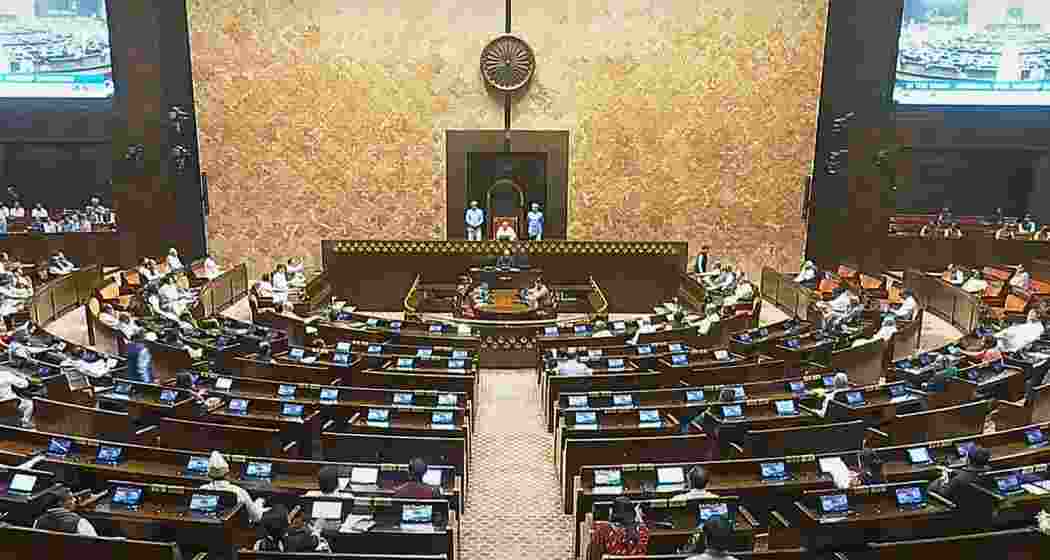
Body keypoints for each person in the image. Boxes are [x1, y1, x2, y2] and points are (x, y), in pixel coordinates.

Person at [201, 451, 265, 522]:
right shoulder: (239, 491)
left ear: (209, 476)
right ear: (227, 475)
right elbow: (256, 517)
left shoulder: (202, 489)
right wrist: (259, 503)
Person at [585, 496, 650, 560]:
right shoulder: (643, 531)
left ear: (612, 512)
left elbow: (593, 556)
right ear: (633, 513)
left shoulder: (603, 530)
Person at [33, 487, 97, 536]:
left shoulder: (38, 521)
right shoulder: (80, 522)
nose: (74, 500)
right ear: (60, 503)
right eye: (70, 498)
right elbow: (94, 544)